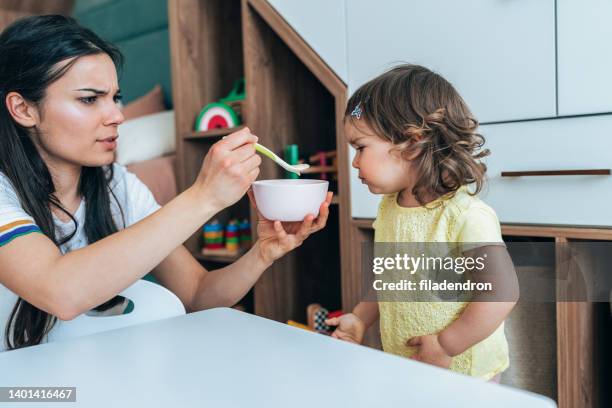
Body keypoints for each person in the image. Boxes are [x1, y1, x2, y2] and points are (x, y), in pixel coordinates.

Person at [0, 15, 332, 351]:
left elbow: (197, 295)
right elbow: (61, 292)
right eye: (89, 99)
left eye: (115, 97)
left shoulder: (116, 185)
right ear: (23, 109)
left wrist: (261, 253)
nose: (117, 115)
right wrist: (203, 197)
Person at [326, 64, 517, 381]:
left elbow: (501, 293)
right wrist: (360, 319)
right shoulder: (389, 209)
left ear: (412, 144)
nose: (355, 162)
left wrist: (445, 345)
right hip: (410, 364)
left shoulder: (465, 216)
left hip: (465, 372)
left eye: (360, 147)